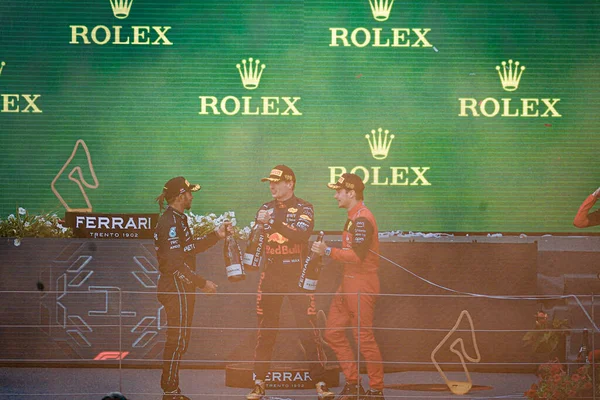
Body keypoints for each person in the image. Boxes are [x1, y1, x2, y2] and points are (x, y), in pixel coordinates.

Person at [246, 165, 334, 400]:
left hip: (297, 276)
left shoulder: (304, 207)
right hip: (271, 275)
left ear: (290, 183)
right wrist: (254, 231)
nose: (272, 186)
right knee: (266, 331)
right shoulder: (264, 208)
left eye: (276, 182)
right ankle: (259, 383)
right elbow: (255, 241)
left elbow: (301, 235)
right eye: (269, 182)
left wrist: (271, 223)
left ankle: (321, 383)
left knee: (308, 330)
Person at [154, 176, 230, 400]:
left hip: (181, 286)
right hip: (175, 286)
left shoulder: (179, 218)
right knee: (177, 340)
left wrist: (216, 235)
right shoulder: (169, 221)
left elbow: (189, 249)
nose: (192, 196)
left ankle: (172, 391)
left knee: (180, 340)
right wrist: (201, 283)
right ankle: (169, 392)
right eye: (189, 192)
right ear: (180, 195)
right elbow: (173, 264)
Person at [311, 173, 385, 399]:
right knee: (333, 332)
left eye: (338, 191)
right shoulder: (354, 216)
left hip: (362, 283)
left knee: (363, 336)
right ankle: (353, 383)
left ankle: (376, 389)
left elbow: (358, 256)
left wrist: (327, 251)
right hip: (348, 283)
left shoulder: (362, 218)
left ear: (351, 193)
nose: (335, 196)